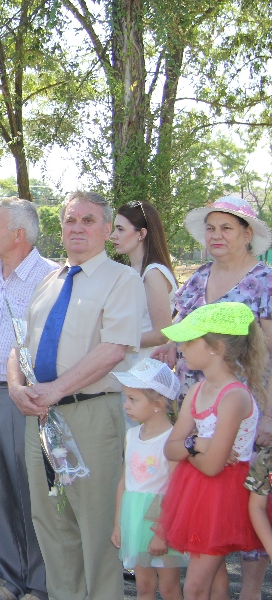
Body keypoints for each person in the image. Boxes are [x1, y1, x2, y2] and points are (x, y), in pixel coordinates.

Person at [7, 190, 147, 600]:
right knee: (51, 523)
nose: (77, 228)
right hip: (41, 420)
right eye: (70, 220)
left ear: (107, 229)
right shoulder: (48, 281)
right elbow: (22, 345)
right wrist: (17, 388)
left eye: (88, 220)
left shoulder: (123, 281)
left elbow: (115, 348)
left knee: (97, 527)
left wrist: (54, 390)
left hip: (91, 416)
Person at [150, 196, 272, 597]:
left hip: (245, 404)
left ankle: (251, 592)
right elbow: (178, 329)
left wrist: (269, 415)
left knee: (245, 501)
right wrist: (169, 348)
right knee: (208, 519)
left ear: (247, 234)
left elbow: (268, 351)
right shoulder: (198, 277)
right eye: (211, 227)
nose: (216, 235)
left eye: (227, 228)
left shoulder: (264, 281)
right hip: (197, 397)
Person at [0, 198, 57, 600]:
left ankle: (40, 586)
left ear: (18, 234)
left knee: (33, 493)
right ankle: (10, 581)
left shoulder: (51, 278)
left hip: (27, 399)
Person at [159, 302, 267, 599]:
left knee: (194, 587)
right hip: (198, 492)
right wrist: (197, 444)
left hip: (223, 494)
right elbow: (170, 448)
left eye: (190, 341)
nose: (181, 347)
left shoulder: (233, 397)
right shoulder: (197, 391)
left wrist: (190, 445)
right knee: (215, 582)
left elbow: (213, 467)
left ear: (216, 348)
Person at [110, 358, 186, 600]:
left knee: (169, 586)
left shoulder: (172, 440)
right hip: (133, 519)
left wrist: (162, 531)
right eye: (126, 398)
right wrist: (118, 524)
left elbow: (176, 488)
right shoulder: (131, 435)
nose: (125, 405)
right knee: (143, 585)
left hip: (159, 518)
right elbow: (124, 482)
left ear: (157, 403)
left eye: (133, 399)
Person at [110, 200, 177, 358]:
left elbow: (162, 334)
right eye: (114, 228)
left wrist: (113, 343)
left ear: (141, 234)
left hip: (142, 366)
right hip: (124, 364)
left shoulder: (153, 273)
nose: (113, 235)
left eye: (120, 229)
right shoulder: (130, 271)